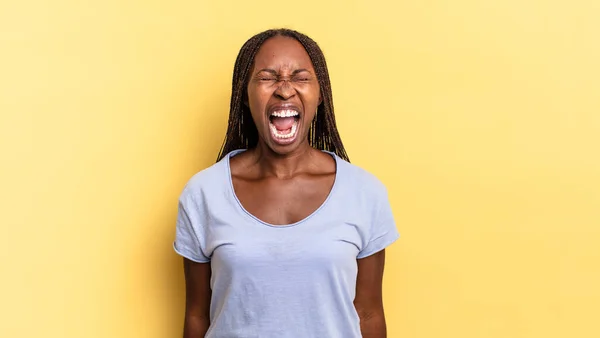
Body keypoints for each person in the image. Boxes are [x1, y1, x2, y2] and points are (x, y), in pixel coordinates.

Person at [173, 28, 400, 338]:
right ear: (244, 93)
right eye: (267, 77)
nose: (284, 89)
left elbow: (369, 313)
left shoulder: (364, 193)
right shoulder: (204, 194)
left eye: (301, 77)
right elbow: (197, 316)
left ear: (320, 95)